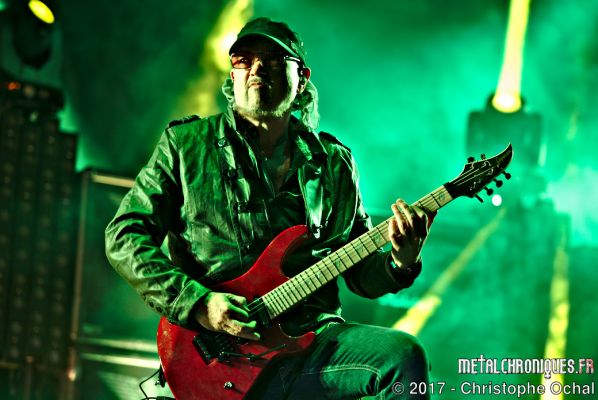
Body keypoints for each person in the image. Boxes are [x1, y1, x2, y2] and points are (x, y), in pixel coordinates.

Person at [105, 17, 433, 399]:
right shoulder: (186, 145)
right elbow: (124, 235)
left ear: (302, 78)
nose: (257, 68)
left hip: (313, 345)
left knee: (402, 357)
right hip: (221, 353)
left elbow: (361, 274)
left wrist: (401, 261)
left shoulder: (334, 163)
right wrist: (198, 303)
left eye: (274, 60)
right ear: (232, 74)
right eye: (244, 59)